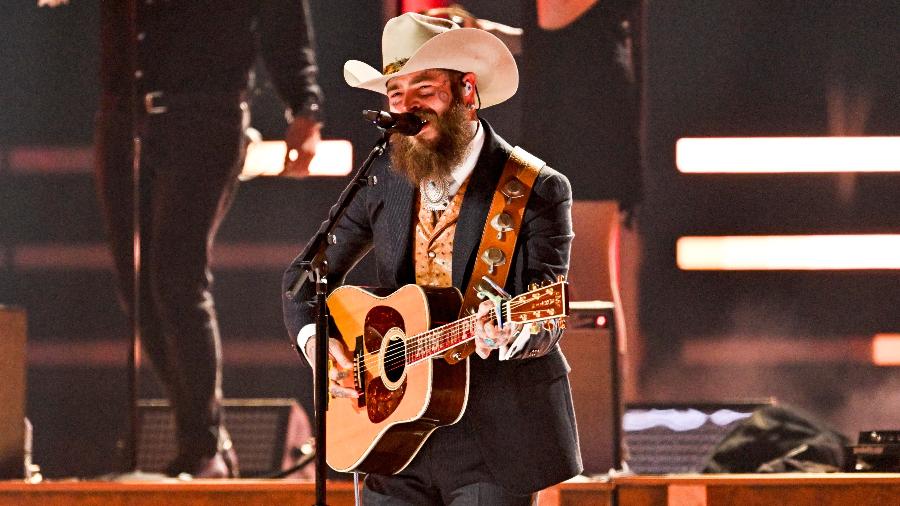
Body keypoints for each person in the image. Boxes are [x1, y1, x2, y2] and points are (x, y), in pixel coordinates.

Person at [283, 12, 581, 505]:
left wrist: (513, 330)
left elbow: (547, 310)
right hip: (388, 435)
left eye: (425, 88)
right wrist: (319, 346)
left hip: (492, 439)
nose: (409, 106)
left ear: (467, 91)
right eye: (397, 94)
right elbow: (305, 275)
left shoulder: (536, 189)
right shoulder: (385, 176)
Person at [94, 1, 323, 478]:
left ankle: (202, 447)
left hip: (204, 112)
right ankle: (204, 437)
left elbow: (283, 18)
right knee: (134, 289)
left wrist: (304, 105)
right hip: (123, 117)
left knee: (176, 276)